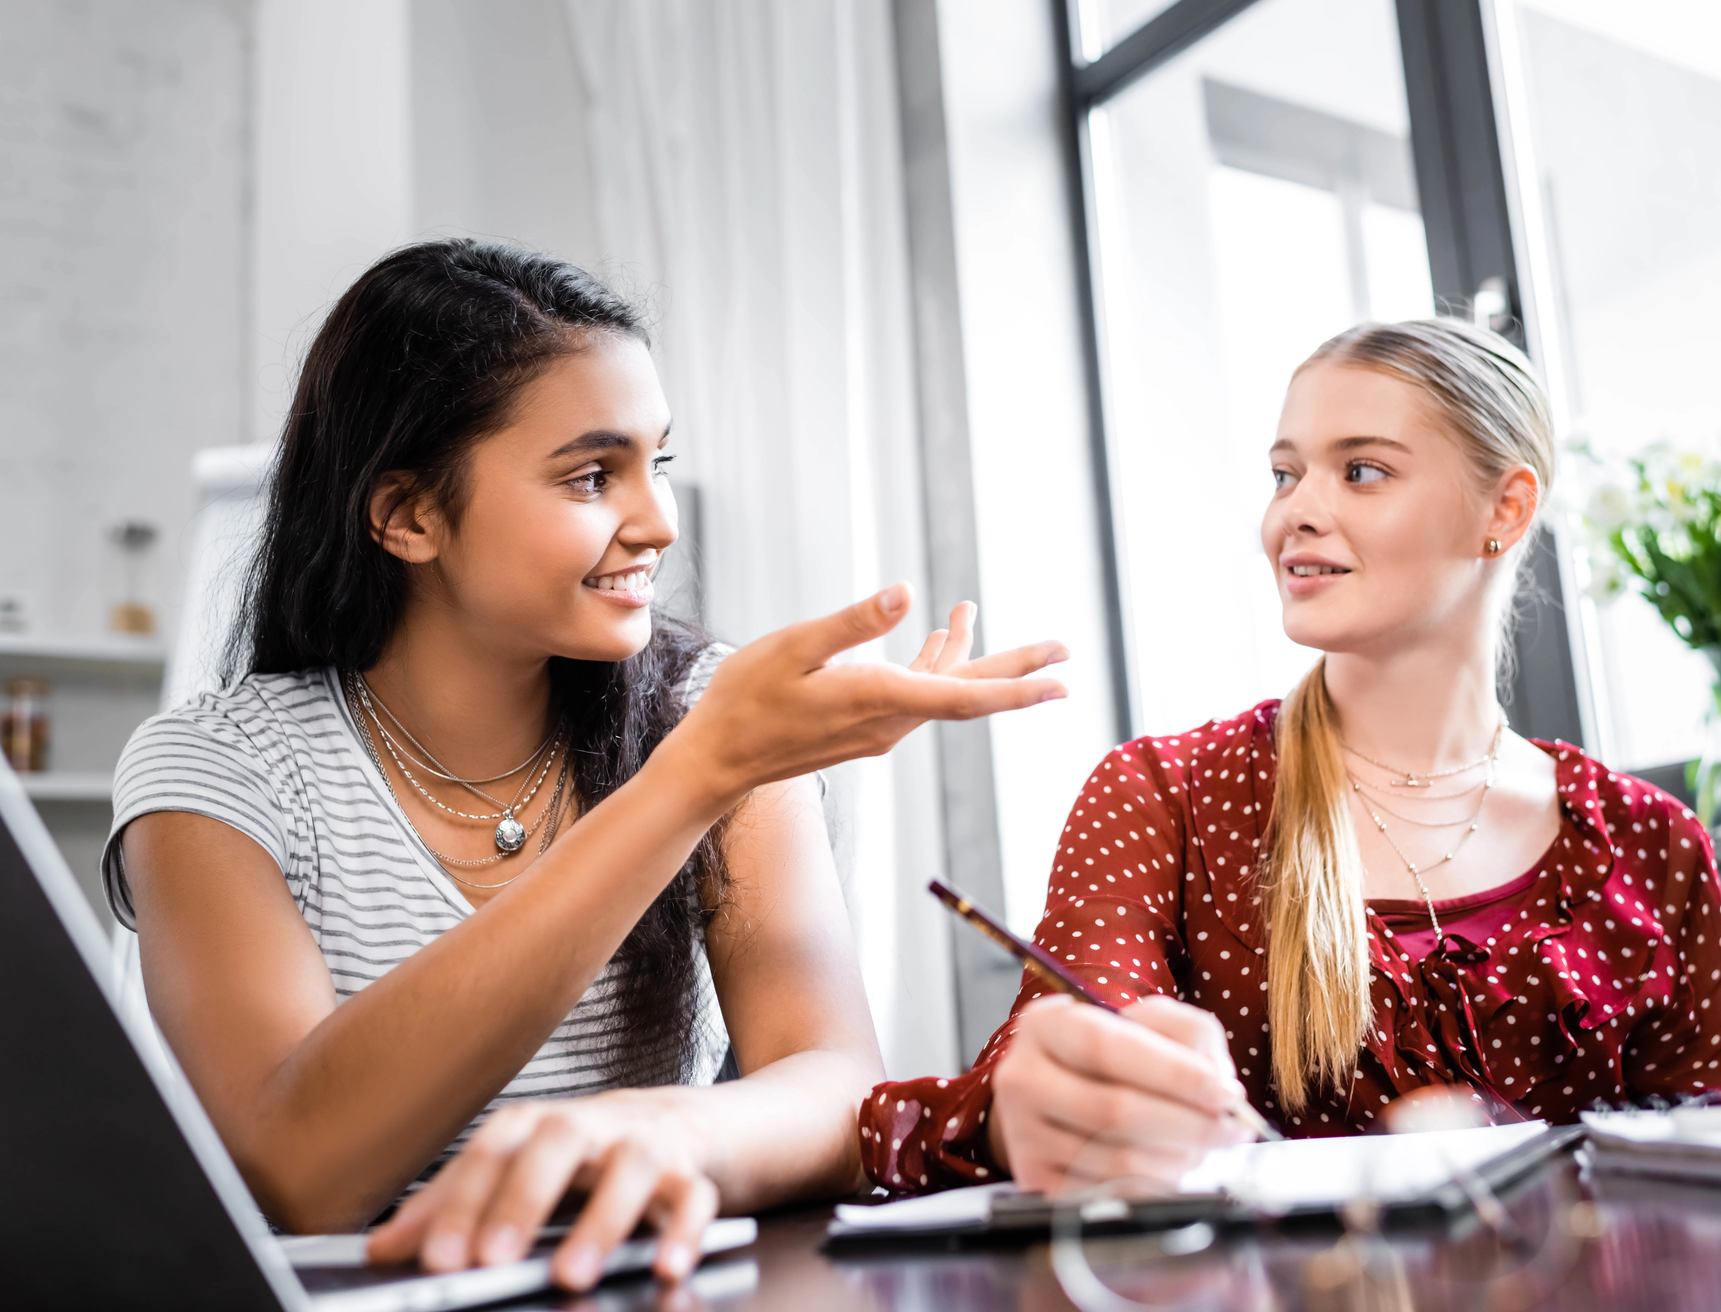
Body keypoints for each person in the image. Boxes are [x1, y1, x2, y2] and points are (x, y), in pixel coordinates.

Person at [107, 240, 1067, 1289]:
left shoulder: (710, 714)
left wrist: (664, 1131)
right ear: (407, 515)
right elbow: (298, 1169)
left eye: (655, 461)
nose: (655, 521)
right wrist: (690, 782)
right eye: (591, 475)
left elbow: (837, 1085)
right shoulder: (214, 773)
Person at [861, 317, 1721, 1195]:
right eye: (1285, 473)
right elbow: (1051, 1061)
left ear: (1506, 506)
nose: (1297, 511)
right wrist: (1056, 1096)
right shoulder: (1163, 796)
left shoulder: (1655, 845)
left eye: (1361, 471)